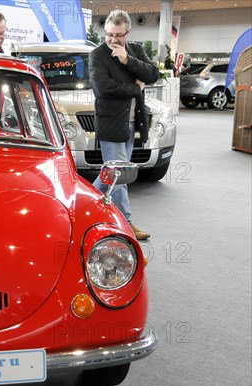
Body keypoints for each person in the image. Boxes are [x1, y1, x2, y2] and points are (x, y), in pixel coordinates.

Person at [88, 10, 160, 240]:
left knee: (117, 174)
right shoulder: (97, 55)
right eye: (109, 34)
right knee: (118, 174)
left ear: (127, 33)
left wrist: (127, 61)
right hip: (111, 124)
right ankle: (120, 220)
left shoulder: (136, 51)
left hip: (133, 123)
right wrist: (135, 88)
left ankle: (95, 209)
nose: (112, 39)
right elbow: (103, 88)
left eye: (118, 35)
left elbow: (153, 75)